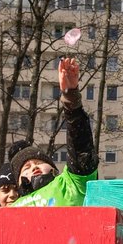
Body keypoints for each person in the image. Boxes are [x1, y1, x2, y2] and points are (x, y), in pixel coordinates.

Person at [11, 58, 97, 207]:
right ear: (18, 183)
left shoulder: (70, 183)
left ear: (54, 169)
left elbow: (81, 149)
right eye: (26, 168)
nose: (34, 167)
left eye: (39, 162)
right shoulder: (12, 208)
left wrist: (71, 97)